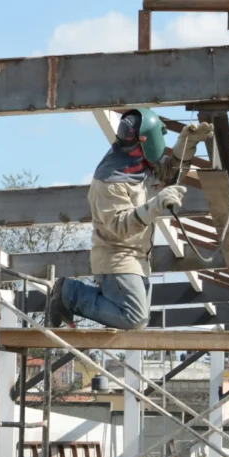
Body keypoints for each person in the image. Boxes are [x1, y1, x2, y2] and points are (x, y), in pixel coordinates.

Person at [47, 108, 212, 329]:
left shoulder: (137, 162)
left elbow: (168, 173)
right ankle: (68, 293)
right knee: (134, 318)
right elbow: (120, 226)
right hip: (117, 257)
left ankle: (76, 295)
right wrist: (156, 204)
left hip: (138, 259)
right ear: (148, 142)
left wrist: (187, 145)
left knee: (135, 320)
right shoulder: (110, 180)